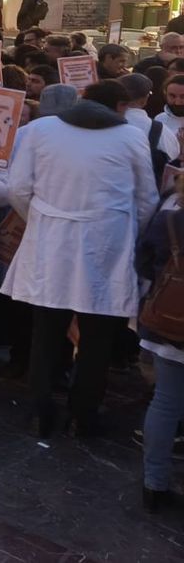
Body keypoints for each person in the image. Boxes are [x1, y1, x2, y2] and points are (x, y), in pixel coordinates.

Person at [0, 80, 158, 437]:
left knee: (46, 330)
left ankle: (41, 410)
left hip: (51, 240)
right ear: (119, 106)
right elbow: (146, 197)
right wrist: (125, 229)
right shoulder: (131, 136)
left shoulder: (39, 129)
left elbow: (21, 189)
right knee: (97, 336)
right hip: (107, 243)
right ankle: (83, 415)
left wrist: (41, 218)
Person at [134, 174, 184, 513]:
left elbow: (144, 264)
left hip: (172, 322)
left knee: (165, 403)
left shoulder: (170, 220)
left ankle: (155, 484)